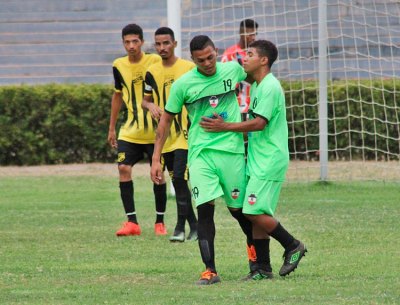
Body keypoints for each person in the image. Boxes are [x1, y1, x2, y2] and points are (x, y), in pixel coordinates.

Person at [151, 35, 258, 285]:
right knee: (205, 211)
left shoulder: (233, 70)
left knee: (240, 212)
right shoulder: (183, 85)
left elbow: (257, 77)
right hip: (200, 155)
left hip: (231, 153)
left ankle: (257, 262)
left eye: (210, 57)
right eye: (201, 60)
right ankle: (209, 271)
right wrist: (156, 158)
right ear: (193, 59)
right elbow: (165, 121)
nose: (207, 63)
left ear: (216, 52)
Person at [200, 40, 307, 279]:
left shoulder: (269, 86)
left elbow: (259, 123)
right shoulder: (258, 85)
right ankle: (262, 269)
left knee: (251, 210)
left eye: (249, 54)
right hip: (258, 158)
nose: (243, 58)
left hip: (270, 158)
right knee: (255, 210)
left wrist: (224, 126)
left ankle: (292, 245)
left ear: (263, 60)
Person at [108, 23, 168, 237]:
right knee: (123, 168)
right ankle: (132, 222)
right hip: (130, 131)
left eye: (135, 41)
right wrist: (112, 128)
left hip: (155, 132)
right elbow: (117, 95)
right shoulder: (118, 65)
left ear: (142, 42)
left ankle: (159, 222)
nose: (131, 46)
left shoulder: (154, 60)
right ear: (122, 43)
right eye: (127, 42)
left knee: (158, 175)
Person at [142, 27, 198, 242]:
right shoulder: (152, 72)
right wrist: (151, 106)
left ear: (174, 44)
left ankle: (179, 228)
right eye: (158, 44)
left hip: (185, 133)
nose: (162, 48)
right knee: (178, 181)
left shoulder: (189, 68)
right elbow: (144, 99)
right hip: (165, 136)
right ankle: (193, 226)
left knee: (181, 180)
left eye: (166, 43)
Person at [221, 19, 258, 117]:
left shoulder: (256, 54)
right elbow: (222, 78)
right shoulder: (230, 54)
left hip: (254, 104)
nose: (253, 38)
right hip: (235, 106)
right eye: (250, 34)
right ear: (241, 34)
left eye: (255, 34)